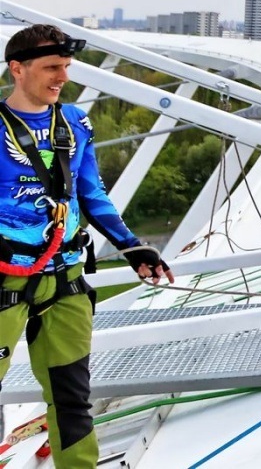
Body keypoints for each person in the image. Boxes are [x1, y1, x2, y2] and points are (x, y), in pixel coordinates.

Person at [0, 25, 173, 468]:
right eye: (52, 67)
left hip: (66, 279)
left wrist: (132, 246)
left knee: (72, 398)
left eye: (66, 68)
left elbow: (90, 192)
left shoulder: (75, 123)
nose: (62, 77)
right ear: (17, 69)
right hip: (5, 278)